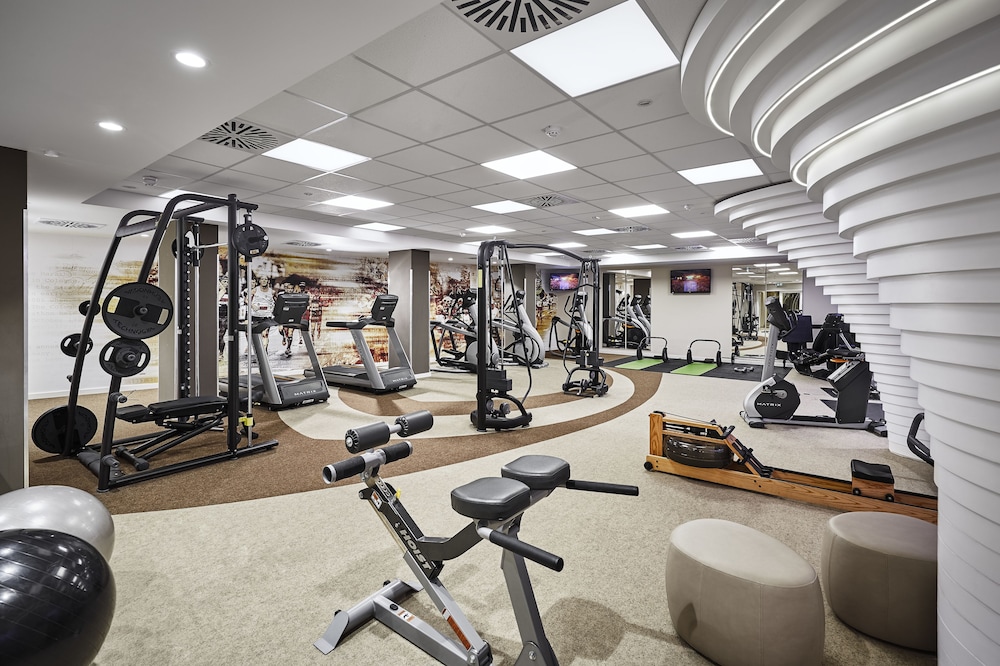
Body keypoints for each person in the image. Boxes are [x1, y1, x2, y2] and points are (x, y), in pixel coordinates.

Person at [249, 275, 276, 354]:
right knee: (257, 335)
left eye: (265, 279)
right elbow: (247, 299)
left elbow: (277, 301)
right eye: (262, 279)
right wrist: (252, 305)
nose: (264, 281)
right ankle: (258, 351)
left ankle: (264, 352)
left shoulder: (272, 292)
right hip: (256, 315)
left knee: (265, 334)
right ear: (259, 281)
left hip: (266, 315)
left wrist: (274, 310)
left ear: (268, 281)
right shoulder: (255, 290)